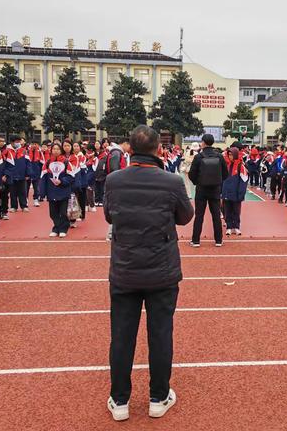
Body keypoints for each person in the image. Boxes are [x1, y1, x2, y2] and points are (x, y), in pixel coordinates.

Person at [104, 125, 193, 422]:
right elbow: (185, 217)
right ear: (158, 149)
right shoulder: (171, 180)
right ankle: (158, 397)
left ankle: (120, 401)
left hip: (125, 268)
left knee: (121, 336)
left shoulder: (114, 180)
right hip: (161, 269)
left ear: (130, 149)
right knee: (160, 333)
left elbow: (108, 215)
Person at [188, 133, 228, 247]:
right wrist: (218, 182)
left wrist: (198, 182)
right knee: (216, 215)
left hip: (201, 189)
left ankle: (196, 240)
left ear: (203, 143)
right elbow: (225, 173)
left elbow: (192, 174)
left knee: (199, 215)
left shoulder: (199, 157)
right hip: (215, 189)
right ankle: (218, 240)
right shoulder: (219, 156)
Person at [39, 143, 75, 238]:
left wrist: (61, 181)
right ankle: (56, 228)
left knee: (63, 212)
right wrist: (42, 192)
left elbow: (71, 177)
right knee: (53, 213)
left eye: (58, 149)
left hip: (63, 191)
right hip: (51, 192)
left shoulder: (66, 162)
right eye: (54, 149)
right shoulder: (47, 163)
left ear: (61, 150)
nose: (55, 150)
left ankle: (63, 229)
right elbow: (43, 178)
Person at [223, 147, 248, 236]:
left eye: (232, 155)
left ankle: (236, 227)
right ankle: (229, 227)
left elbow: (244, 180)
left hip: (236, 193)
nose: (230, 157)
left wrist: (241, 193)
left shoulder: (241, 166)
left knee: (236, 211)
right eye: (229, 155)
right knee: (227, 211)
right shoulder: (226, 165)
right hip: (226, 192)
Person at [4, 135, 29, 213]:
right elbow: (4, 164)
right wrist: (6, 174)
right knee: (13, 192)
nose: (19, 143)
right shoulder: (6, 151)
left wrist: (28, 174)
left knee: (23, 191)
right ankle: (13, 206)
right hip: (11, 175)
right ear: (12, 142)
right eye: (17, 142)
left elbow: (28, 163)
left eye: (19, 141)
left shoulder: (24, 151)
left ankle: (24, 206)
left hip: (22, 175)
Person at [27, 140, 43, 207]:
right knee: (26, 188)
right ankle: (26, 200)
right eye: (33, 144)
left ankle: (36, 199)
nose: (34, 145)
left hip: (37, 173)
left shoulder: (40, 153)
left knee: (36, 188)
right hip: (28, 173)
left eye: (35, 144)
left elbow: (42, 163)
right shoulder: (27, 152)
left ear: (37, 145)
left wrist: (41, 173)